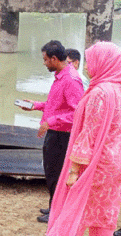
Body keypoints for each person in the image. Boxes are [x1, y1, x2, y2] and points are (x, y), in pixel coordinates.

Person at [46, 42, 121, 236]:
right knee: (103, 213)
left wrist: (74, 170)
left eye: (90, 61)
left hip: (95, 166)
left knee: (77, 211)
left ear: (104, 63)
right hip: (114, 163)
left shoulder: (99, 93)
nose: (86, 67)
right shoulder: (118, 90)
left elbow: (89, 134)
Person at [19, 40, 84, 223]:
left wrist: (51, 121)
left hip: (62, 135)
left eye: (45, 59)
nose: (44, 63)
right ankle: (54, 205)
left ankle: (57, 212)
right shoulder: (61, 76)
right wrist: (35, 106)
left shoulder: (71, 80)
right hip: (55, 131)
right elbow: (57, 106)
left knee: (56, 173)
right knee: (51, 171)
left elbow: (78, 112)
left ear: (54, 59)